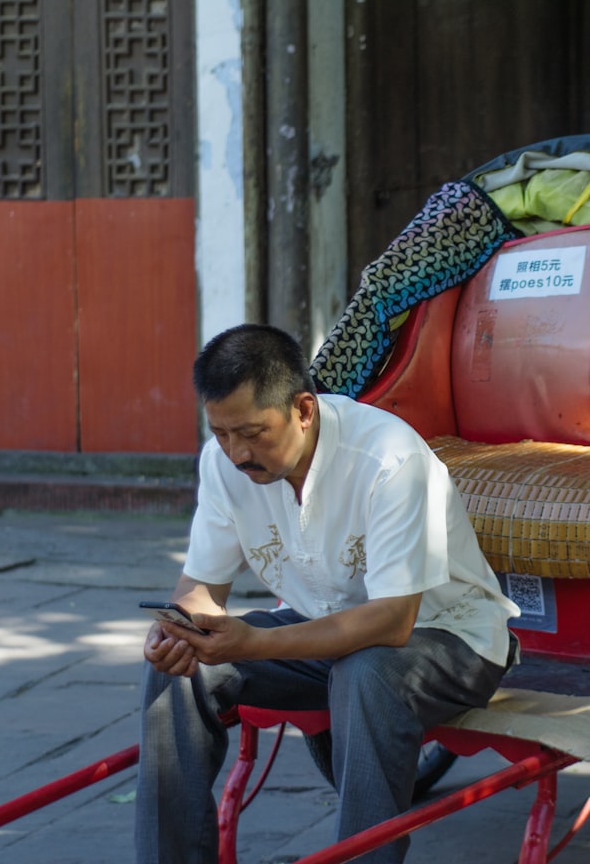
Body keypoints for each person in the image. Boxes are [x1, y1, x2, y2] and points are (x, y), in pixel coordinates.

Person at [135, 323, 519, 864]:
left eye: (252, 432)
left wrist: (249, 644)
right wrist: (179, 626)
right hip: (325, 635)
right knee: (180, 668)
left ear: (304, 410)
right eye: (221, 433)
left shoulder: (388, 457)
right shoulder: (222, 463)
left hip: (448, 639)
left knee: (366, 671)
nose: (236, 452)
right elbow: (201, 587)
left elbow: (391, 623)